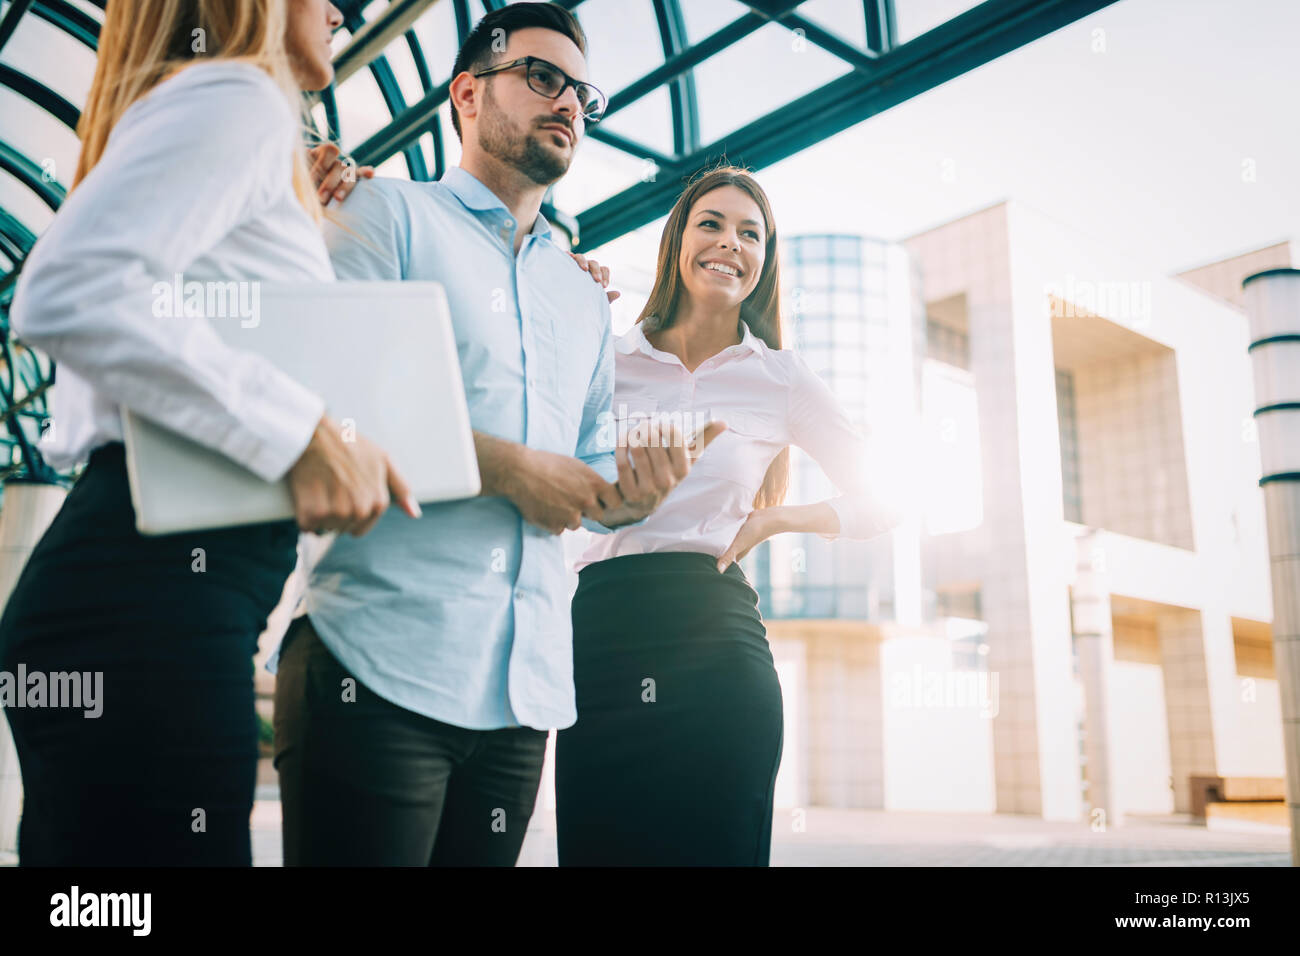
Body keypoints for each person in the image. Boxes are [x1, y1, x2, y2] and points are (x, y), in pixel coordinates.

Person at [271, 1, 720, 867]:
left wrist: (630, 495)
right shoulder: (380, 217)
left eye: (580, 94)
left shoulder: (583, 295)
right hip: (377, 666)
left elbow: (586, 477)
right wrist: (511, 470)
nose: (566, 104)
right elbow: (324, 406)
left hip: (523, 705)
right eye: (541, 77)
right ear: (467, 95)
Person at [0, 0, 416, 867]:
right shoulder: (241, 96)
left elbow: (175, 312)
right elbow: (68, 288)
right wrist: (301, 433)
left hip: (129, 605)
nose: (346, 9)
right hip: (150, 617)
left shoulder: (228, 106)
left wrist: (296, 205)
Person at [555, 166, 904, 866]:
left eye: (752, 233)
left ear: (765, 259)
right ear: (677, 240)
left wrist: (774, 522)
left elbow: (882, 499)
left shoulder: (780, 376)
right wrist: (556, 297)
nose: (730, 243)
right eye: (711, 223)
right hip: (601, 640)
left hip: (716, 649)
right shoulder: (606, 357)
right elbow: (532, 443)